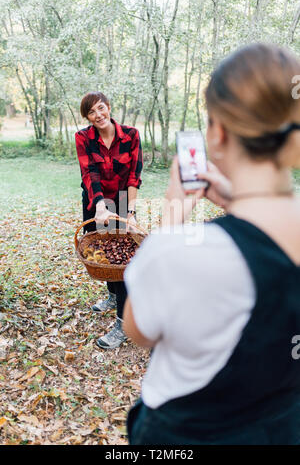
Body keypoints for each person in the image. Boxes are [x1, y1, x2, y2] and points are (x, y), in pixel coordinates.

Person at [123, 43, 300, 444]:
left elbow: (137, 331)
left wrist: (172, 217)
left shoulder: (181, 253)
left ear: (218, 131)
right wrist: (241, 201)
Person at [75, 92, 143, 349]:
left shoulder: (131, 135)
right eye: (91, 112)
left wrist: (130, 211)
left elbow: (134, 175)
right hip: (96, 199)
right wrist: (100, 206)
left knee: (124, 259)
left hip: (124, 199)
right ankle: (113, 296)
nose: (98, 115)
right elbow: (89, 172)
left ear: (109, 108)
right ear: (88, 117)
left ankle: (124, 324)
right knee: (103, 250)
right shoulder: (83, 138)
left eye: (101, 108)